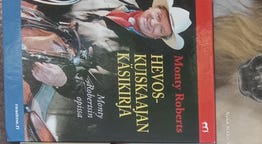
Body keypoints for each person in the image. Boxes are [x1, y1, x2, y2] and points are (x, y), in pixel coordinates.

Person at [25, 0, 192, 91]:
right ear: (153, 7)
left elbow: (86, 85)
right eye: (158, 16)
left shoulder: (129, 59)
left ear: (158, 38)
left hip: (32, 48)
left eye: (160, 29)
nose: (153, 23)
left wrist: (61, 80)